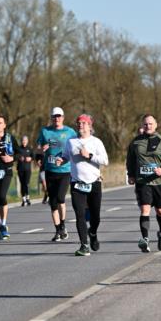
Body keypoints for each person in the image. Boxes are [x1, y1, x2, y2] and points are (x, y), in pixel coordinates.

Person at [126, 114, 161, 253]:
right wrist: (130, 174)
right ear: (142, 126)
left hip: (160, 182)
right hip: (143, 181)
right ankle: (145, 239)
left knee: (160, 211)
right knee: (145, 210)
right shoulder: (135, 142)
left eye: (150, 124)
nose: (148, 126)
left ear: (155, 125)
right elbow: (130, 159)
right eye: (145, 124)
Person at [63, 114, 109, 256]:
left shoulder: (96, 142)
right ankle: (84, 245)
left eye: (83, 123)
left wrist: (89, 155)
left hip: (94, 183)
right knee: (80, 214)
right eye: (78, 122)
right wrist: (61, 159)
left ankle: (93, 233)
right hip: (77, 183)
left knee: (96, 217)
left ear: (90, 126)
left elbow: (105, 161)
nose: (80, 125)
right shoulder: (70, 142)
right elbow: (65, 156)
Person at [36, 107, 77, 242]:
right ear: (51, 118)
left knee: (60, 198)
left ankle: (63, 224)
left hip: (65, 170)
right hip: (50, 170)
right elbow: (38, 149)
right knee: (52, 203)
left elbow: (77, 147)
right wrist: (42, 151)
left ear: (63, 117)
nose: (56, 119)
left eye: (59, 116)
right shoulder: (45, 131)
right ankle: (58, 230)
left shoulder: (70, 132)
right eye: (54, 117)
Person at [16, 135, 33, 206]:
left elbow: (33, 156)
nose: (24, 142)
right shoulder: (18, 149)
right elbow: (15, 156)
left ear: (27, 141)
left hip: (28, 169)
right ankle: (23, 200)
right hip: (20, 169)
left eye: (25, 140)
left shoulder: (30, 148)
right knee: (22, 184)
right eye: (23, 140)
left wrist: (30, 158)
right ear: (21, 141)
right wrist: (19, 158)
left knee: (26, 184)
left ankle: (28, 198)